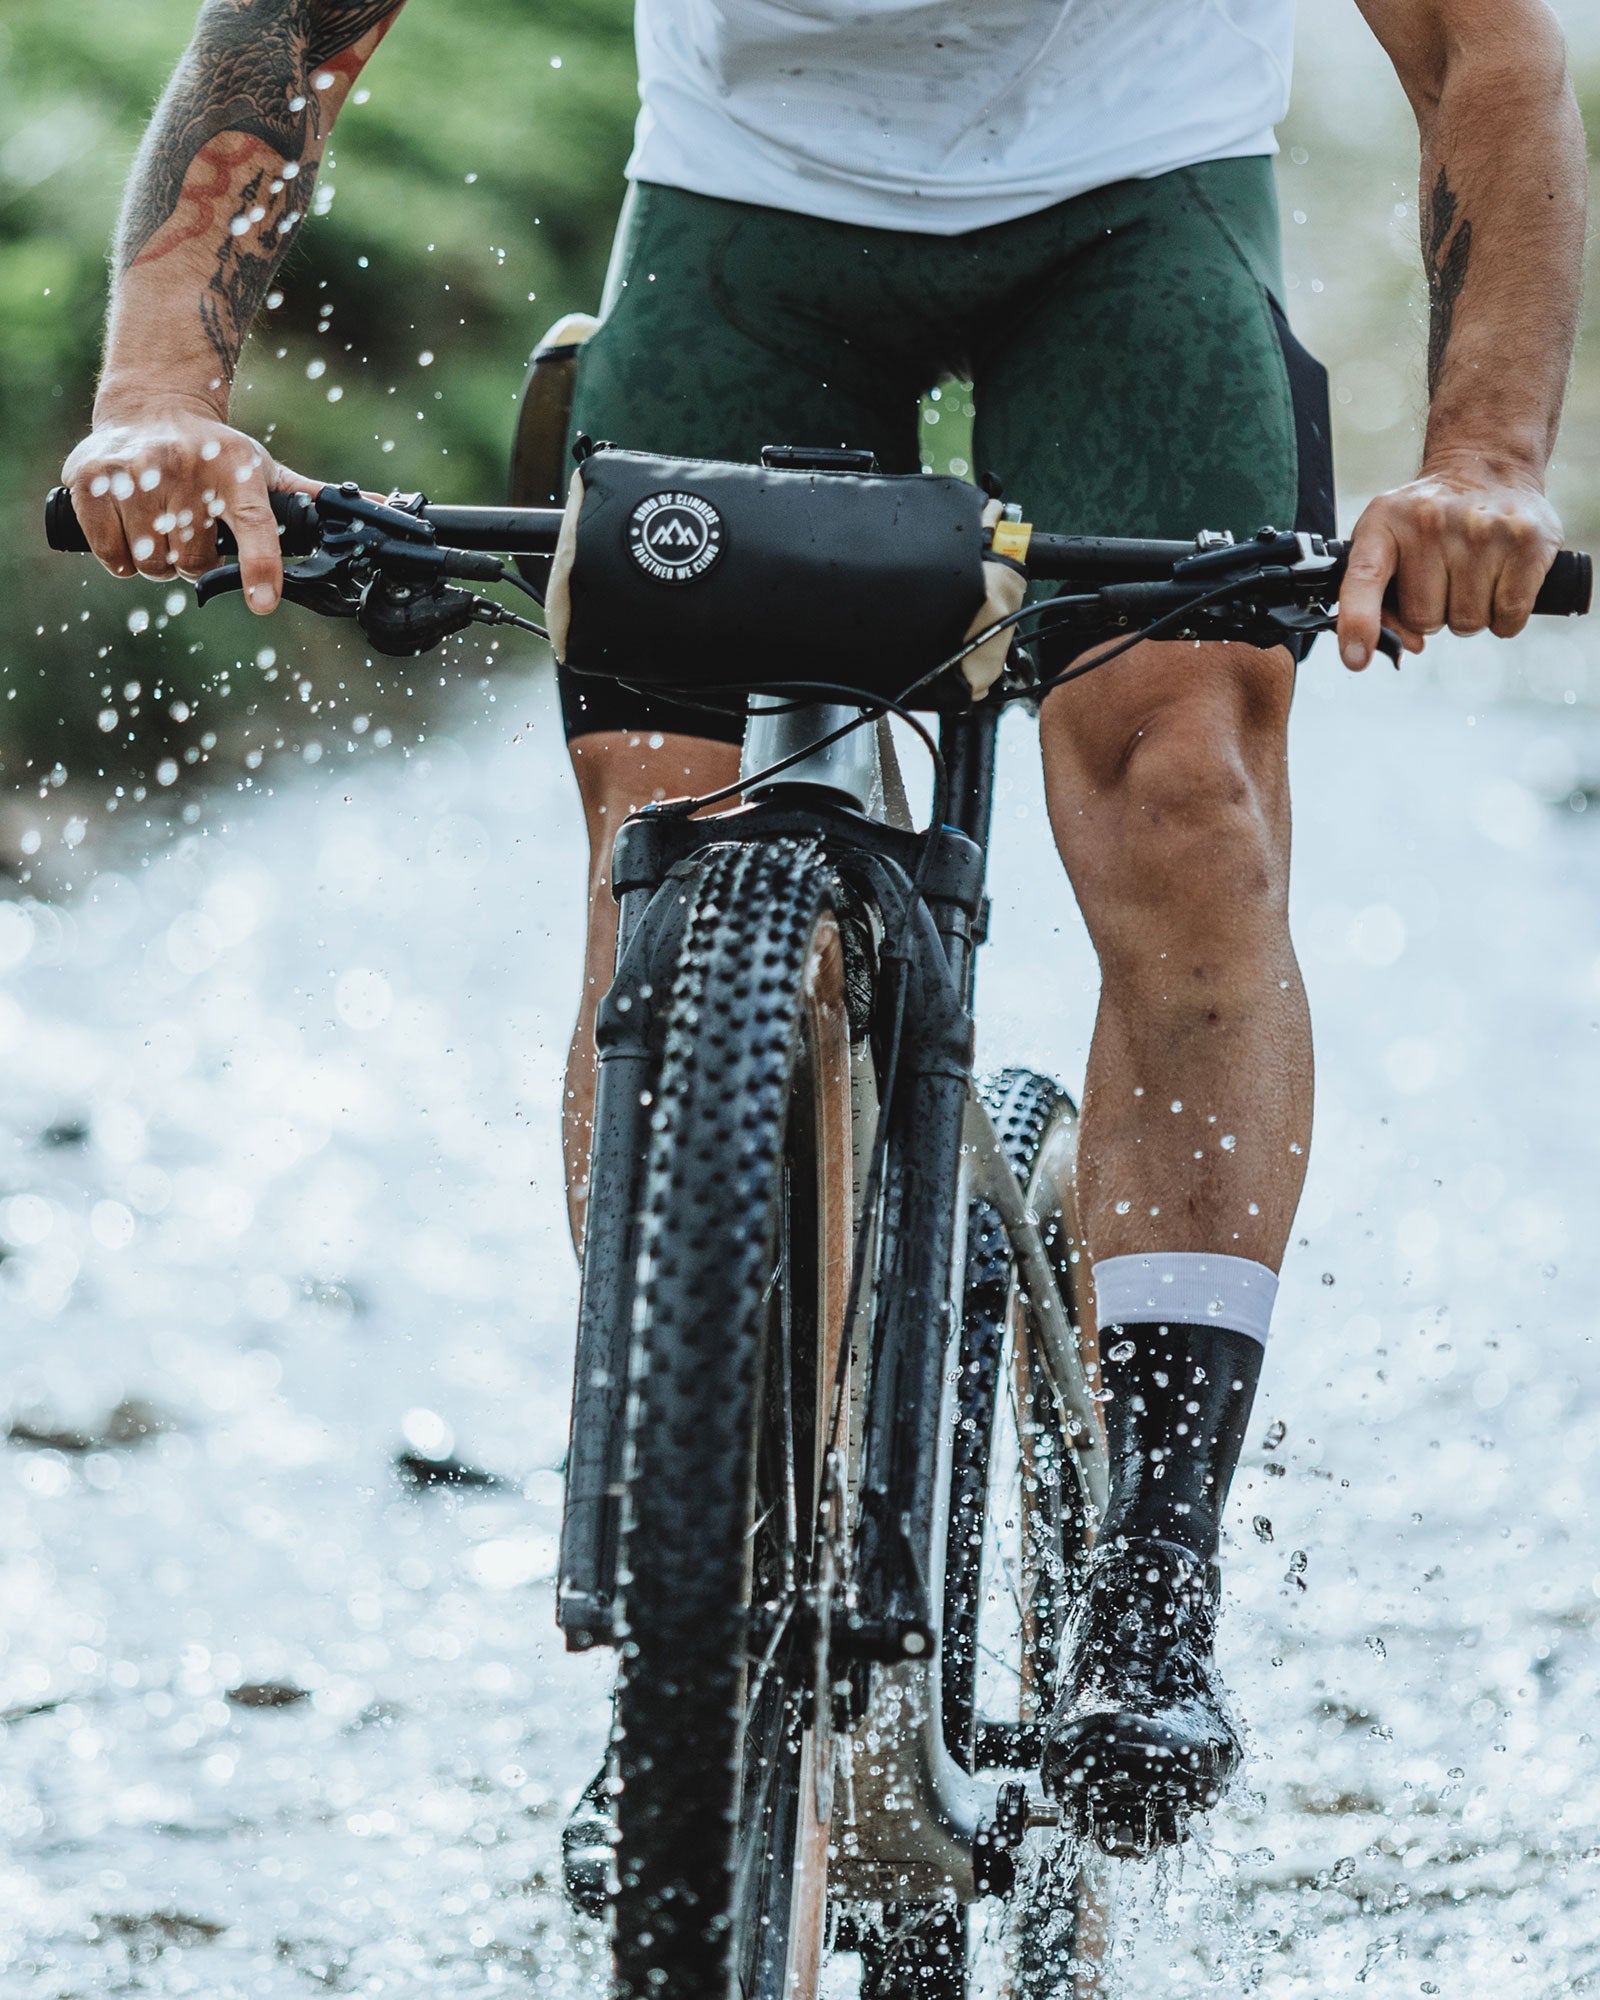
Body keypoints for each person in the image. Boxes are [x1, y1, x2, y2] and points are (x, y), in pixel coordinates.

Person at [63, 0, 1584, 1866]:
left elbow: (1478, 44)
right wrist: (154, 401)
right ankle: (689, 1610)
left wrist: (1489, 451)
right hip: (750, 204)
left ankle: (1156, 1571)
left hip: (1132, 194)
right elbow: (287, 25)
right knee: (656, 814)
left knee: (1188, 794)